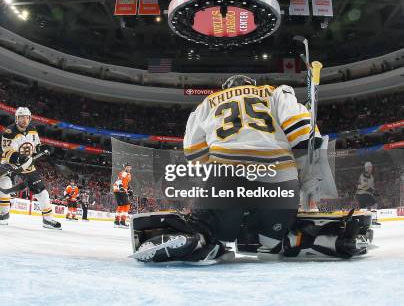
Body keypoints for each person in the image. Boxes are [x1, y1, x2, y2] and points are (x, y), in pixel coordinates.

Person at [132, 75, 368, 263]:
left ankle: (201, 239)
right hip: (279, 180)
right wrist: (308, 125)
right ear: (252, 85)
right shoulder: (275, 92)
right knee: (271, 242)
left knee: (213, 231)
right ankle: (309, 241)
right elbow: (304, 138)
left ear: (225, 87)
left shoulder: (208, 103)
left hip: (228, 175)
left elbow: (193, 152)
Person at [0, 107, 61, 229]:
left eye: (27, 117)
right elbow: (7, 151)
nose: (25, 120)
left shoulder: (32, 129)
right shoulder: (9, 132)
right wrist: (19, 158)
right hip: (10, 163)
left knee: (42, 192)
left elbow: (36, 146)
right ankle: (4, 213)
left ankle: (48, 219)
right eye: (21, 117)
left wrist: (43, 148)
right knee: (4, 183)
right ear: (16, 118)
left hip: (27, 165)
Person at [113, 163, 132, 228]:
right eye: (128, 167)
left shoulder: (129, 175)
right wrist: (121, 187)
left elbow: (126, 183)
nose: (129, 168)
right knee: (126, 205)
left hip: (121, 190)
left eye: (130, 167)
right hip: (119, 190)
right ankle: (121, 221)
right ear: (125, 167)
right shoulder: (123, 173)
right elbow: (119, 180)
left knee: (122, 205)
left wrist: (129, 189)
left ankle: (118, 222)